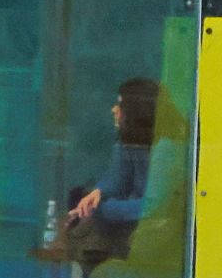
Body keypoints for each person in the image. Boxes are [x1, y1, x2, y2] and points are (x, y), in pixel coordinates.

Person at [62, 77, 159, 263]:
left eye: (120, 105)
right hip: (129, 219)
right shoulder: (128, 142)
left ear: (136, 110)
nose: (114, 110)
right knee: (80, 197)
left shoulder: (166, 149)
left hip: (150, 229)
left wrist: (102, 209)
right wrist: (99, 192)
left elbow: (154, 207)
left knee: (92, 223)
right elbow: (117, 180)